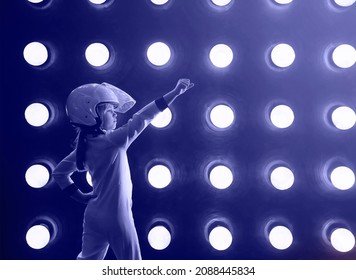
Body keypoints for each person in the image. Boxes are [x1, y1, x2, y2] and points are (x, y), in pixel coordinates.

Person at [52, 79, 194, 260]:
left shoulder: (85, 147)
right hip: (117, 217)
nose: (116, 115)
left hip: (93, 215)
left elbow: (59, 173)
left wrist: (80, 196)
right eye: (110, 110)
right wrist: (175, 92)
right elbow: (144, 117)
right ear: (91, 116)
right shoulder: (114, 141)